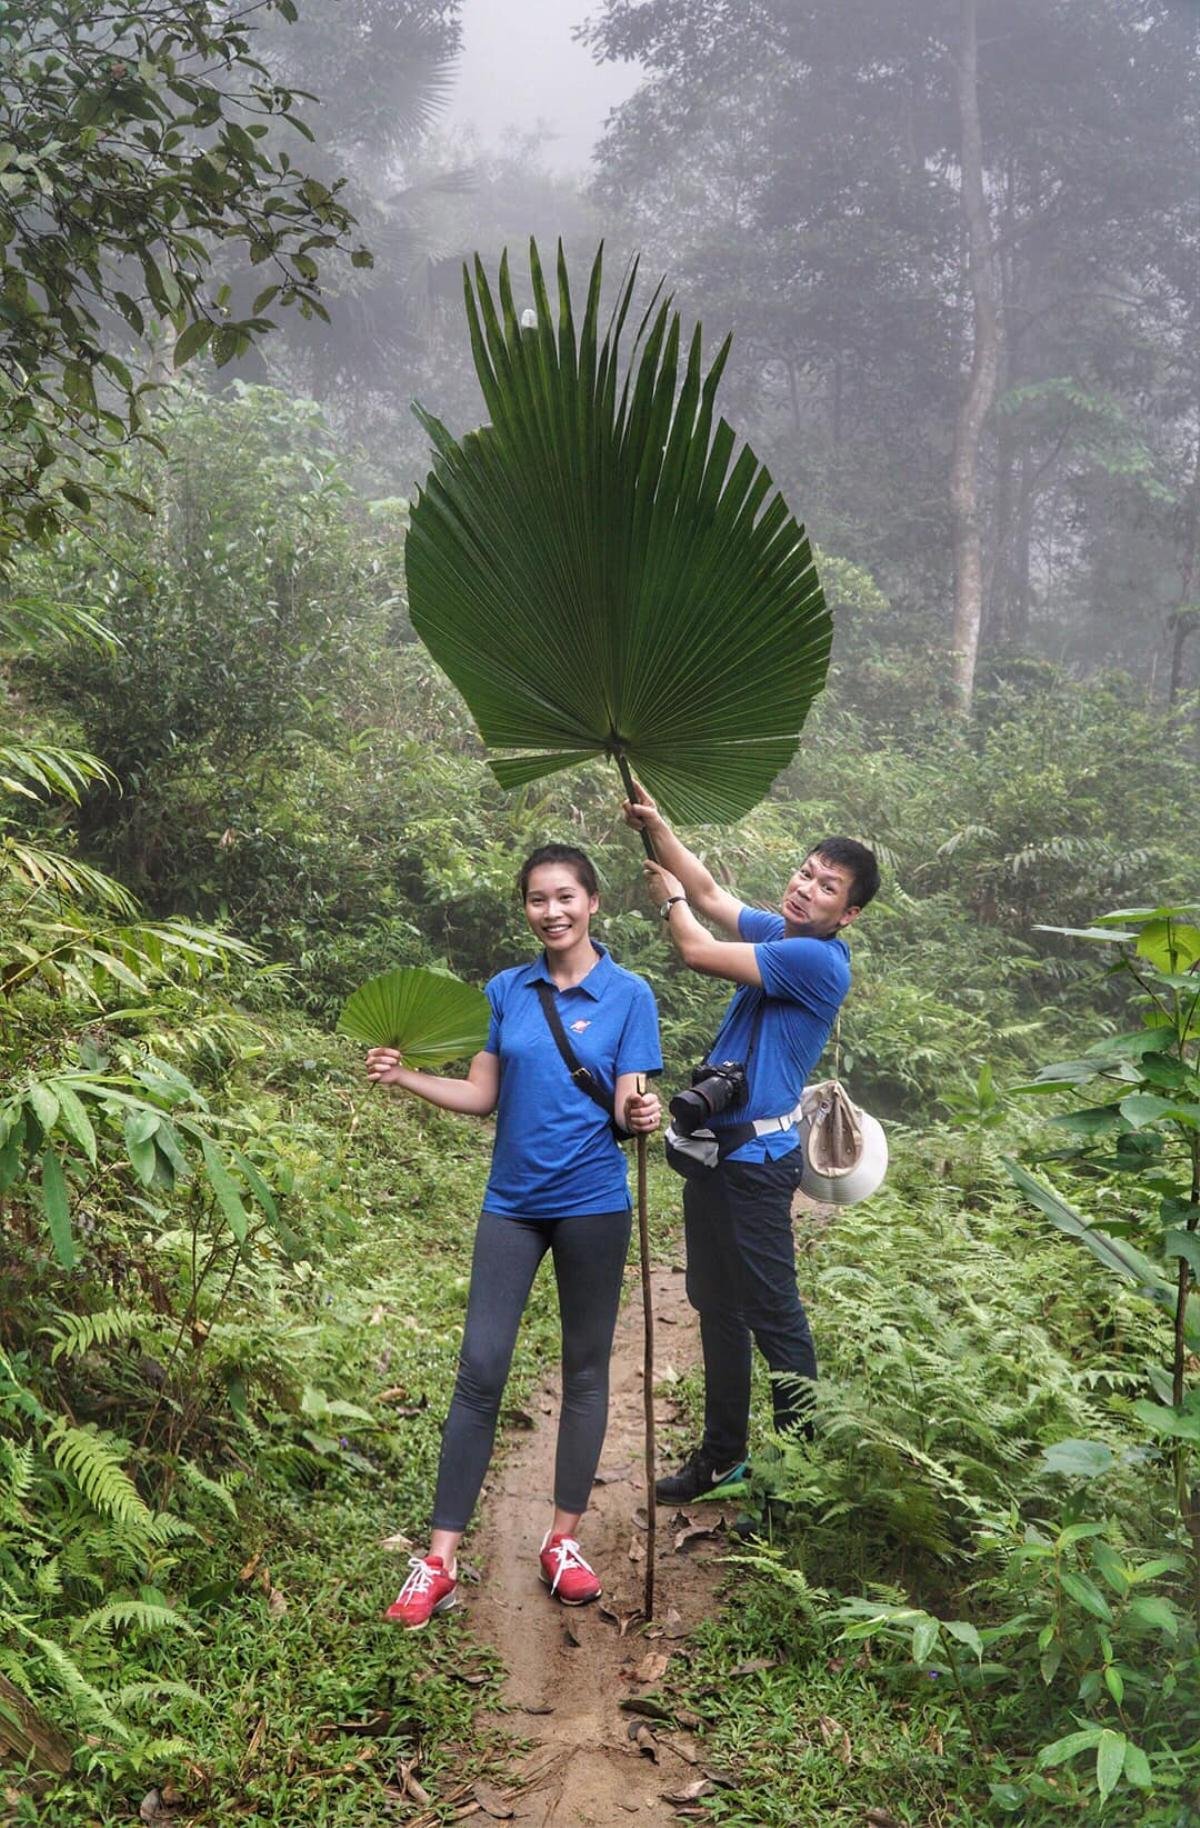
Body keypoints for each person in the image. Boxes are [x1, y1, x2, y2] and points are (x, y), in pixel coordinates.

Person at [367, 844, 662, 1629]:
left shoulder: (631, 995)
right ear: (526, 908)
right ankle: (439, 1559)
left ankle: (562, 1542)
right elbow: (480, 1095)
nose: (552, 911)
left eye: (566, 896)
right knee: (480, 1367)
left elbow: (625, 1106)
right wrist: (403, 1077)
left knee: (586, 1370)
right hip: (512, 1205)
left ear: (593, 901)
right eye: (537, 899)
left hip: (594, 1204)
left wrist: (642, 1115)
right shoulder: (507, 989)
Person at [622, 787, 879, 1505]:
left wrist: (668, 901)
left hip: (759, 1168)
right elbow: (708, 890)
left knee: (774, 1316)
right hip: (715, 1154)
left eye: (827, 887)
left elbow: (695, 944)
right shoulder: (783, 935)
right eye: (805, 873)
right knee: (717, 1305)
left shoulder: (820, 963)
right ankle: (722, 1457)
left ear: (847, 913)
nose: (806, 888)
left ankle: (793, 1481)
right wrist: (660, 824)